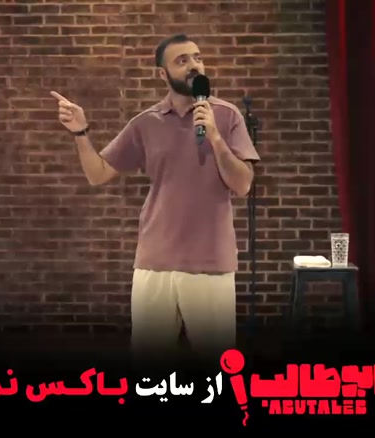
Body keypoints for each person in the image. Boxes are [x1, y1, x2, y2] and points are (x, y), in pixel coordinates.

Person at [50, 34, 260, 362]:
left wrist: (216, 139)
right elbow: (98, 173)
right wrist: (80, 132)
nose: (194, 65)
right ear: (162, 74)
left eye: (197, 57)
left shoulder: (227, 115)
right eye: (182, 61)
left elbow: (243, 184)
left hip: (210, 263)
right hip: (154, 263)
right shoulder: (146, 123)